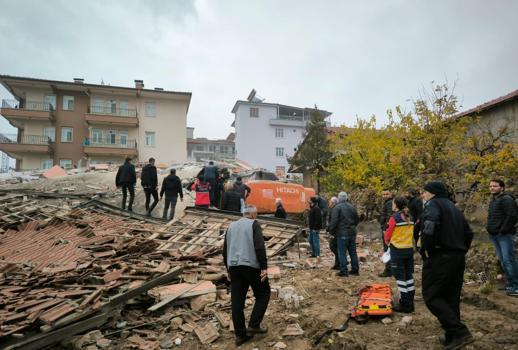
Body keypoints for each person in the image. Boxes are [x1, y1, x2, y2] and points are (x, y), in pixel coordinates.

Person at [420, 181, 474, 349]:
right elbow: (468, 232)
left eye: (425, 192)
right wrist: (460, 249)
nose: (423, 195)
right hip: (457, 257)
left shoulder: (433, 205)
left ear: (432, 193)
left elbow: (429, 227)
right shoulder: (454, 207)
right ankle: (452, 335)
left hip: (440, 256)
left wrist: (426, 249)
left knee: (431, 295)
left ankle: (460, 332)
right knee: (451, 297)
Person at [223, 205, 271, 346]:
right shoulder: (254, 224)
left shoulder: (231, 226)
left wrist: (228, 268)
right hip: (251, 266)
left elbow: (225, 249)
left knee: (237, 301)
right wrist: (264, 266)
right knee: (263, 293)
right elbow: (259, 246)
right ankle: (254, 325)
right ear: (253, 215)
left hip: (234, 267)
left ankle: (240, 335)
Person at [486, 179, 518, 297]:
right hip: (495, 235)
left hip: (505, 235)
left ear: (502, 187)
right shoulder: (494, 200)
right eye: (490, 186)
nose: (492, 188)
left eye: (495, 186)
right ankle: (510, 284)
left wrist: (502, 230)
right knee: (504, 261)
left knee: (509, 260)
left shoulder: (507, 199)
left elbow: (512, 216)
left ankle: (516, 286)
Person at [384, 196, 415, 313]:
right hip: (408, 249)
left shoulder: (394, 218)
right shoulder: (410, 216)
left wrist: (387, 243)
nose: (392, 205)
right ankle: (410, 302)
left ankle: (404, 303)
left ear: (396, 205)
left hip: (397, 250)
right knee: (408, 275)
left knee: (399, 276)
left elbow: (388, 234)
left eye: (393, 203)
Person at [328, 192, 360, 277]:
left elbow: (334, 221)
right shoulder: (352, 207)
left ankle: (343, 271)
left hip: (342, 233)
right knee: (353, 252)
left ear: (338, 198)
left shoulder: (337, 207)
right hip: (352, 232)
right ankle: (355, 269)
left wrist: (331, 231)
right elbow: (357, 220)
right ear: (346, 198)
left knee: (342, 252)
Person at [378, 190, 394, 277]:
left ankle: (388, 270)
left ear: (391, 194)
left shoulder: (389, 203)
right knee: (389, 250)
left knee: (387, 250)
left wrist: (385, 229)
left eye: (387, 194)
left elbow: (389, 217)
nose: (385, 196)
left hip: (387, 230)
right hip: (387, 228)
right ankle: (390, 269)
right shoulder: (387, 202)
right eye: (383, 194)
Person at [326, 196, 339, 269]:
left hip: (335, 231)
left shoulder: (335, 210)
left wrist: (329, 229)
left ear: (333, 203)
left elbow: (333, 221)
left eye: (330, 202)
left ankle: (339, 262)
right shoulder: (333, 209)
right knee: (334, 247)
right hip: (334, 231)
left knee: (333, 246)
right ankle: (337, 263)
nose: (329, 203)